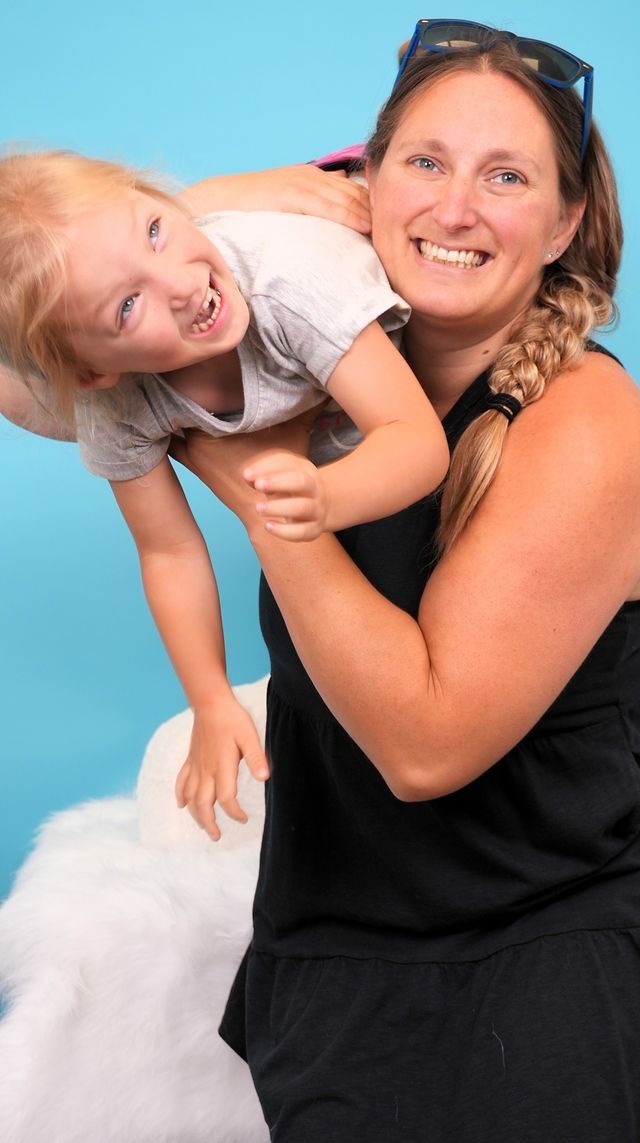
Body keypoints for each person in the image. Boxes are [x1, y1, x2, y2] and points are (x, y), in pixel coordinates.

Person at [165, 21, 640, 1142]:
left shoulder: (589, 422)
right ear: (357, 181)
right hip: (326, 962)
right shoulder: (309, 374)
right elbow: (38, 337)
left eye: (506, 176)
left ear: (565, 223)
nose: (455, 208)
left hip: (547, 963)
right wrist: (194, 219)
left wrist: (253, 485)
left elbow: (426, 746)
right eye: (424, 163)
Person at [0, 150, 449, 840]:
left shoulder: (294, 280)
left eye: (154, 230)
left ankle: (181, 226)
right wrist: (210, 700)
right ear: (98, 370)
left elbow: (417, 441)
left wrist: (324, 497)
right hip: (132, 370)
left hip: (337, 261)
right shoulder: (111, 396)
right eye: (128, 305)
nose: (177, 285)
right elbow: (169, 552)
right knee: (27, 400)